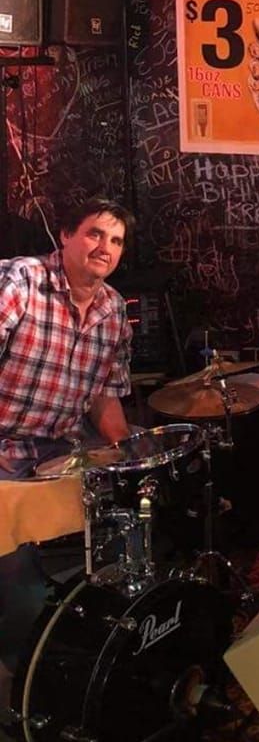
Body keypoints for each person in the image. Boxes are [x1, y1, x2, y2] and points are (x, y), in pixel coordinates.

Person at [0, 197, 134, 714]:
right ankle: (28, 688)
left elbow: (105, 397)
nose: (105, 247)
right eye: (95, 233)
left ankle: (103, 652)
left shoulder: (113, 309)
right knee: (23, 587)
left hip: (59, 451)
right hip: (4, 448)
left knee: (129, 529)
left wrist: (129, 454)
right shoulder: (22, 281)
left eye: (116, 240)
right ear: (65, 235)